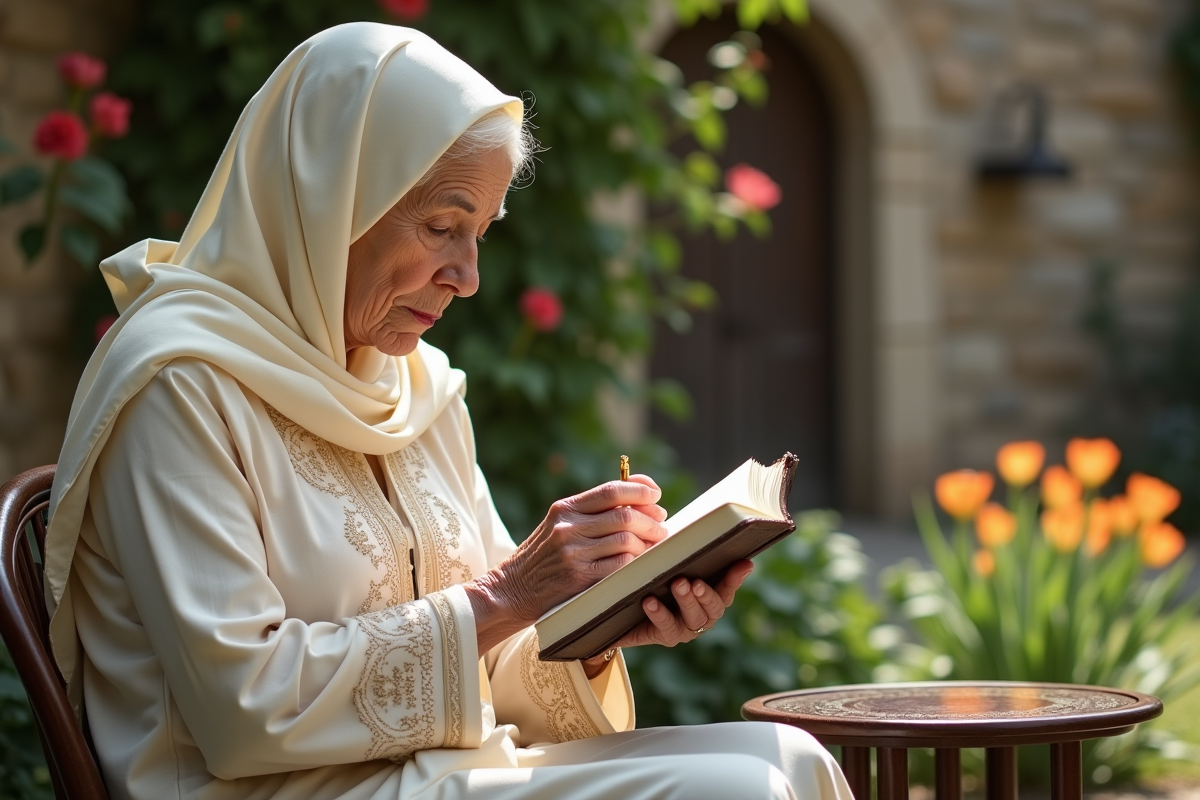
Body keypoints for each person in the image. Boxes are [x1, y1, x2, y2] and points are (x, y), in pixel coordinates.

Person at [44, 22, 853, 800]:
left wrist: (600, 631)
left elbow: (493, 661)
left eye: (480, 234)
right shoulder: (177, 383)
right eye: (440, 226)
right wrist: (505, 595)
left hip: (439, 775)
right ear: (331, 201)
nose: (465, 276)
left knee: (792, 757)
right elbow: (241, 707)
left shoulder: (415, 387)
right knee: (745, 787)